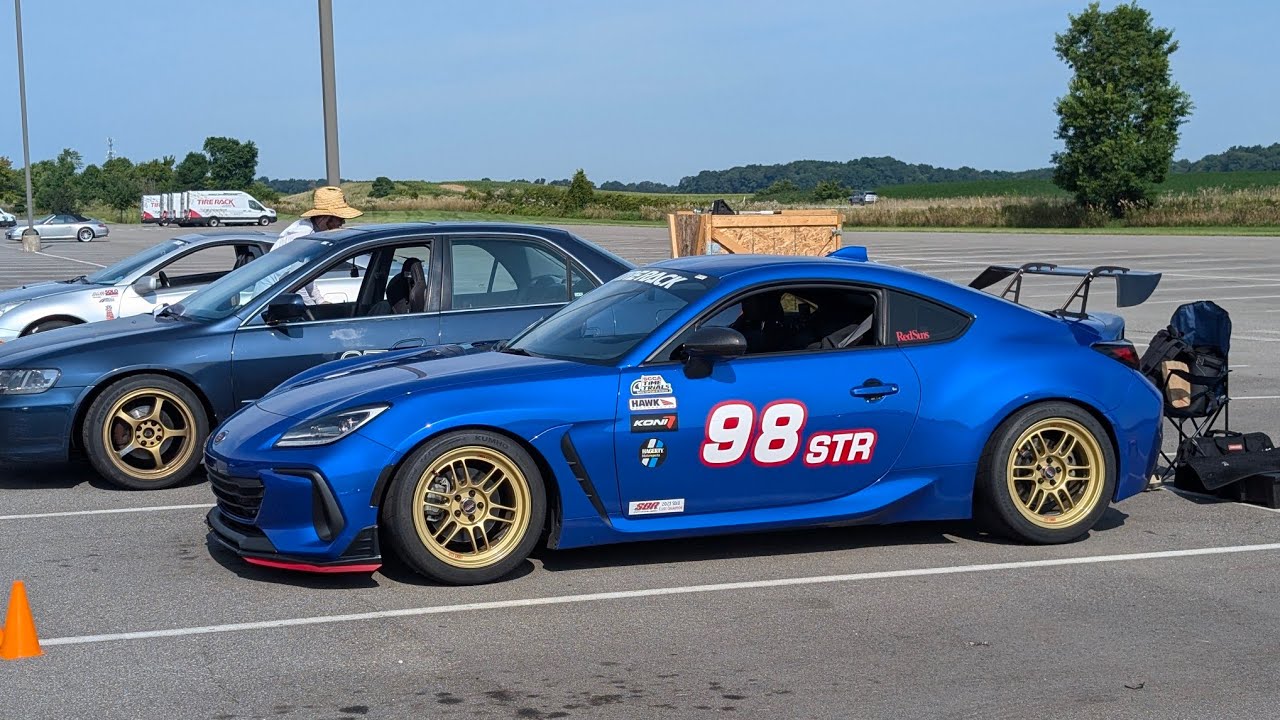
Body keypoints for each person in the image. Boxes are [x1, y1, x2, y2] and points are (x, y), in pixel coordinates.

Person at [269, 186, 363, 304]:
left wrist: (320, 301)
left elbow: (305, 277)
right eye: (339, 218)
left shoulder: (312, 232)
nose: (342, 222)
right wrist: (311, 307)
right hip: (269, 303)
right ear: (325, 218)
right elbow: (295, 282)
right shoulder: (305, 236)